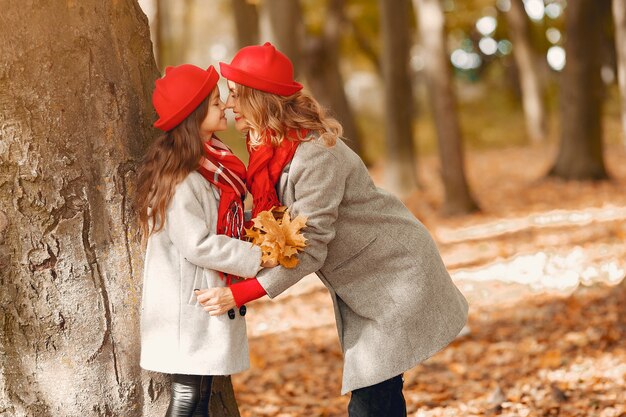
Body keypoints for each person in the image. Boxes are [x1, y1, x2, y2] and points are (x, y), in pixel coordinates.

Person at [198, 43, 469, 417]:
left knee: (372, 394)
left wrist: (240, 293)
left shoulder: (315, 155)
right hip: (363, 281)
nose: (229, 105)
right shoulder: (271, 150)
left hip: (394, 274)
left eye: (236, 96)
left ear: (262, 100)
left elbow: (309, 247)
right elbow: (271, 220)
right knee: (380, 392)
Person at [136, 64, 271, 417]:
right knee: (186, 397)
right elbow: (196, 243)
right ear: (194, 117)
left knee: (202, 395)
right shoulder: (183, 177)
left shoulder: (214, 166)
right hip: (189, 303)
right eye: (215, 102)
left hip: (204, 298)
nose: (226, 105)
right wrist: (256, 255)